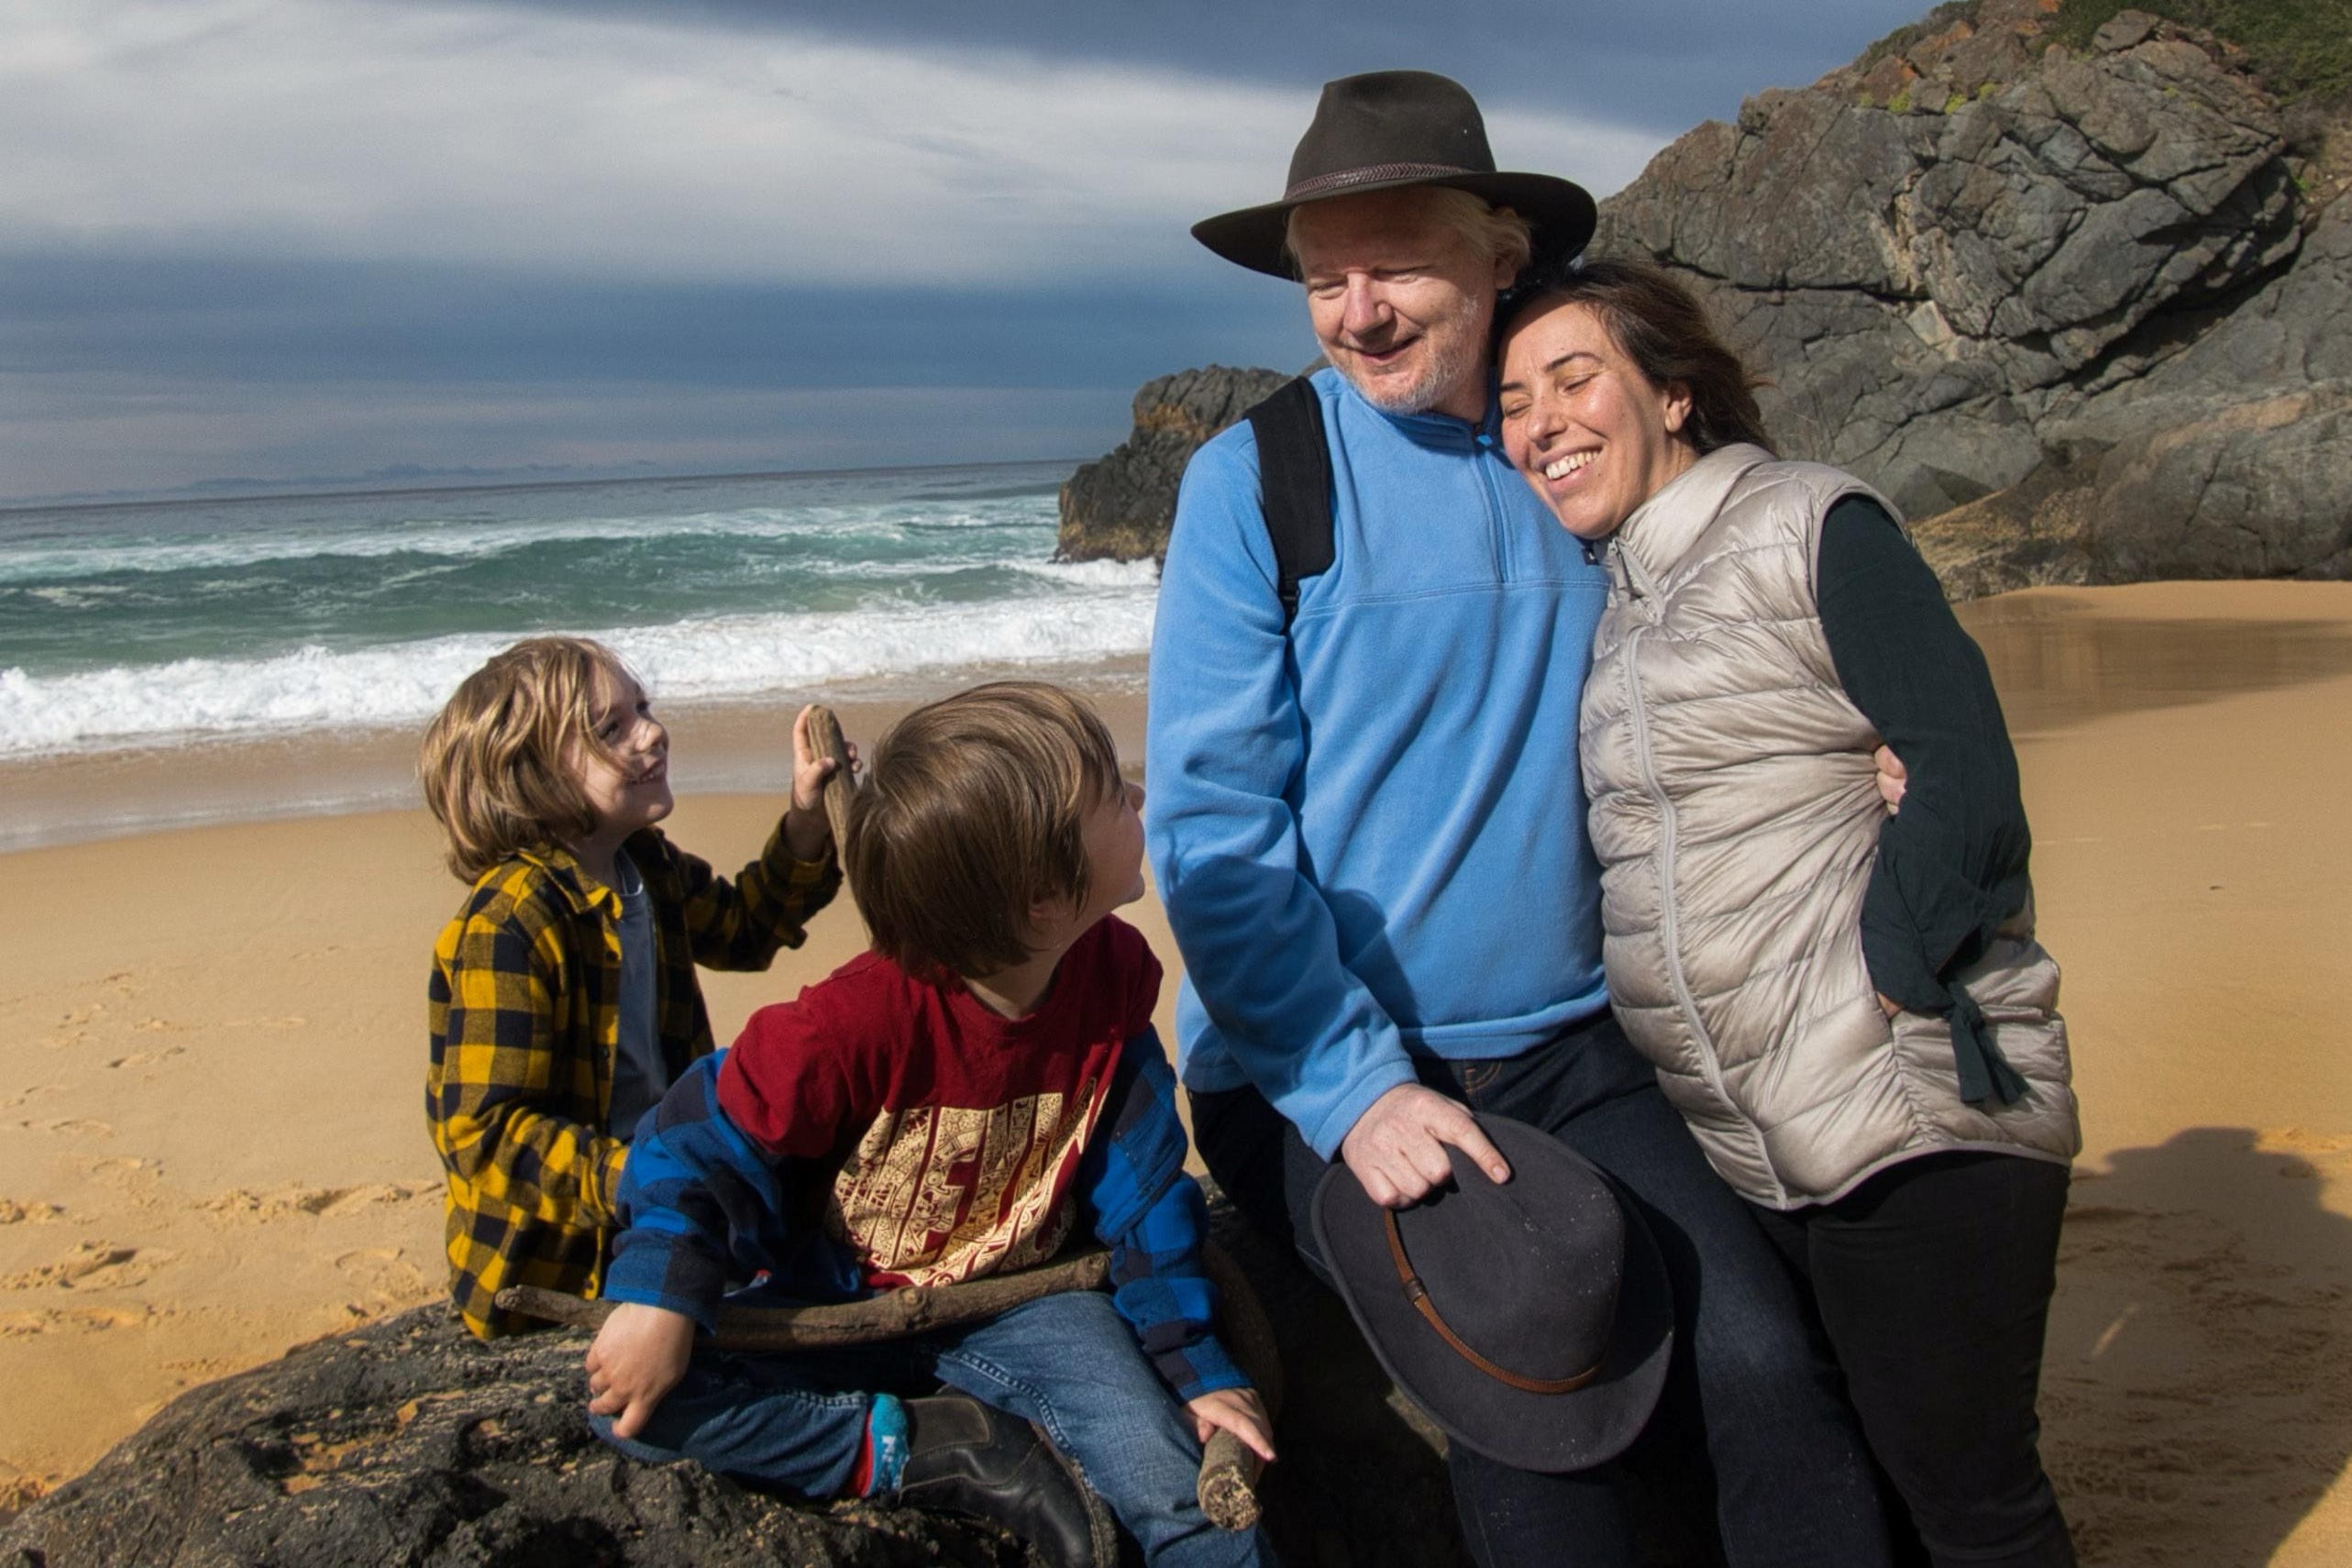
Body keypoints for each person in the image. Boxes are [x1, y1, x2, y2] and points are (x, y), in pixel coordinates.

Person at [1150, 70, 1895, 1568]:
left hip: (1581, 1043)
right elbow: (1211, 834)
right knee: (1538, 1419)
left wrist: (1862, 747)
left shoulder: (1580, 445)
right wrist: (1355, 1091)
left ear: (1502, 257)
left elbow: (1740, 620)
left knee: (1761, 1367)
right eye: (1324, 276)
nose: (1357, 309)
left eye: (1399, 263)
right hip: (1327, 1067)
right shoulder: (1258, 483)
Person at [1495, 256, 2082, 1568]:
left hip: (1906, 1105)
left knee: (1973, 1504)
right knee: (1887, 1478)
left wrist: (1893, 970)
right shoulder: (1624, 600)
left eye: (1576, 376)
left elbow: (1965, 772)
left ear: (1678, 393)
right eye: (1516, 399)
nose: (1541, 420)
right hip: (1765, 1131)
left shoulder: (1808, 524)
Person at [580, 682, 1278, 1568]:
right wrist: (659, 1296)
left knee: (1181, 1492)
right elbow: (693, 1140)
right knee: (630, 1409)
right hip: (835, 1306)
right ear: (1040, 898)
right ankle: (924, 1446)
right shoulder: (853, 1024)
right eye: (1113, 795)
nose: (1138, 800)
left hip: (1033, 1307)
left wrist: (1198, 1369)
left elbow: (1143, 1196)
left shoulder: (1110, 985)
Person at [423, 635, 843, 1339]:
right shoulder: (511, 922)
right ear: (528, 773)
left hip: (661, 1188)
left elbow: (744, 928)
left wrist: (805, 819)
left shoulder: (642, 864)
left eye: (641, 707)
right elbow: (484, 1136)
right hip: (558, 1260)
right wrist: (634, 1174)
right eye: (609, 728)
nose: (651, 733)